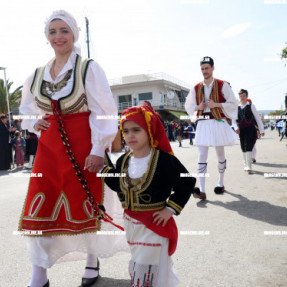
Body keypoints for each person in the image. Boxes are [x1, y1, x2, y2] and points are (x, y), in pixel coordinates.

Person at [18, 10, 126, 287]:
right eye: (52, 32)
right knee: (40, 207)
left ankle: (92, 259)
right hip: (49, 150)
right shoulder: (37, 73)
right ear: (47, 37)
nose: (58, 37)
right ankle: (39, 274)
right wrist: (34, 122)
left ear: (74, 34)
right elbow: (27, 109)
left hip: (83, 146)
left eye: (64, 31)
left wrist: (98, 149)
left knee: (86, 203)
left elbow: (104, 110)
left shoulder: (88, 67)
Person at [100, 105, 196, 287]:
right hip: (131, 224)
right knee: (143, 266)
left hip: (154, 224)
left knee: (145, 270)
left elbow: (187, 181)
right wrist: (103, 165)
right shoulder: (123, 160)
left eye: (136, 130)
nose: (130, 135)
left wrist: (170, 209)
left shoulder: (164, 160)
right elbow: (117, 184)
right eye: (125, 131)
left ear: (149, 130)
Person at [185, 56, 238, 200]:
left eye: (207, 68)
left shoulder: (222, 84)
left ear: (213, 68)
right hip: (202, 122)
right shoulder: (196, 88)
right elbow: (188, 107)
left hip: (217, 122)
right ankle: (201, 189)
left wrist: (217, 105)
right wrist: (199, 107)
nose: (204, 71)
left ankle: (220, 183)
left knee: (220, 153)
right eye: (202, 69)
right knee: (202, 154)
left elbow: (233, 103)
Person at [233, 90, 264, 173]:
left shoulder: (251, 106)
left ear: (246, 96)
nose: (242, 98)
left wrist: (261, 130)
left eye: (243, 96)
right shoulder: (237, 108)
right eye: (240, 96)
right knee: (243, 147)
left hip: (250, 129)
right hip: (241, 130)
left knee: (249, 146)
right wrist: (236, 127)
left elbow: (257, 118)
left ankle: (249, 166)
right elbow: (233, 120)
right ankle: (245, 164)